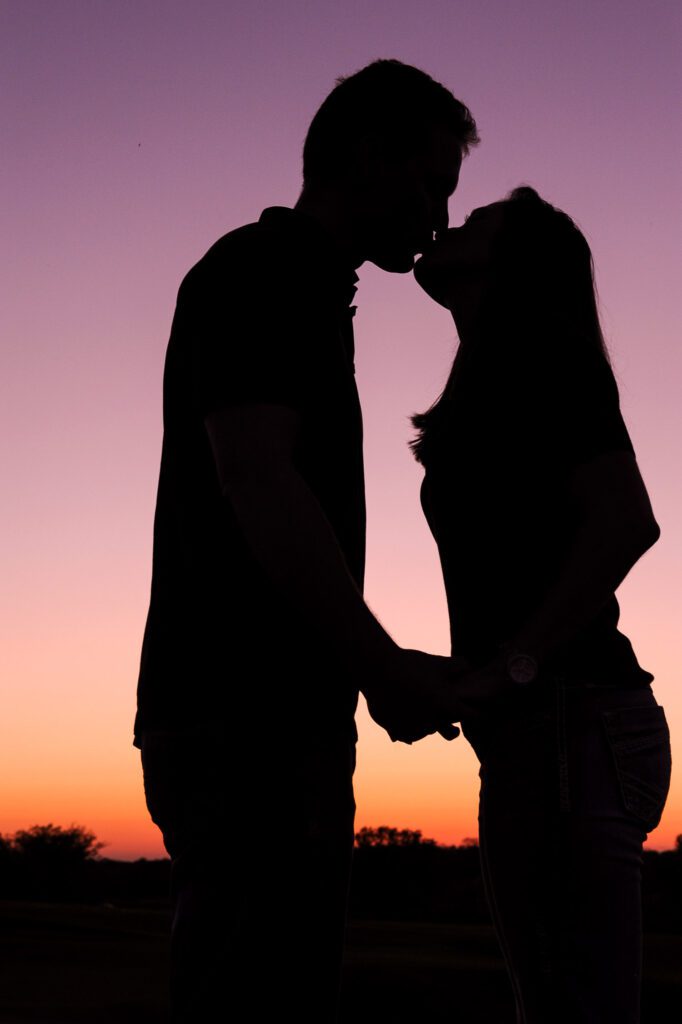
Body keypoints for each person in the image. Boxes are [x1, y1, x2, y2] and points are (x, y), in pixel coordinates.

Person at [134, 60, 478, 1021]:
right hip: (245, 719)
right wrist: (380, 669)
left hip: (266, 716)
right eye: (430, 183)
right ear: (368, 157)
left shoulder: (306, 290)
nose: (440, 215)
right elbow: (259, 479)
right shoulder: (265, 271)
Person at [411, 186, 672, 1024]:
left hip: (571, 723)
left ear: (511, 264)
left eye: (477, 221)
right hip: (549, 727)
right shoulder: (496, 374)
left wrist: (516, 664)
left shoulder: (544, 356)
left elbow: (627, 520)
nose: (451, 223)